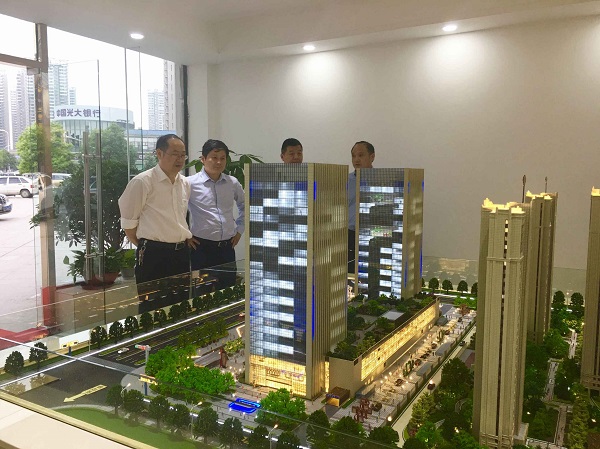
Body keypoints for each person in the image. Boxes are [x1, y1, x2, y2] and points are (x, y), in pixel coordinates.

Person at [118, 133, 192, 312]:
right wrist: (149, 245)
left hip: (181, 254)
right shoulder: (142, 182)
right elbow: (129, 226)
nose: (180, 159)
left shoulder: (184, 183)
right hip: (154, 255)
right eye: (175, 154)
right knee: (152, 308)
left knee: (180, 306)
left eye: (183, 155)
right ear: (159, 153)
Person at [188, 139, 245, 290]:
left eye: (222, 158)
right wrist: (185, 234)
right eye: (214, 157)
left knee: (227, 291)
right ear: (203, 159)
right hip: (201, 248)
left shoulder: (232, 183)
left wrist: (240, 230)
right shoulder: (190, 183)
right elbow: (176, 209)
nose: (218, 162)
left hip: (227, 248)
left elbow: (245, 206)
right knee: (201, 293)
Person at [348, 141, 375, 273]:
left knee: (369, 272)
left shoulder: (380, 180)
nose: (356, 160)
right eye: (354, 156)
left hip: (372, 236)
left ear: (372, 157)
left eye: (360, 155)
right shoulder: (345, 180)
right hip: (349, 236)